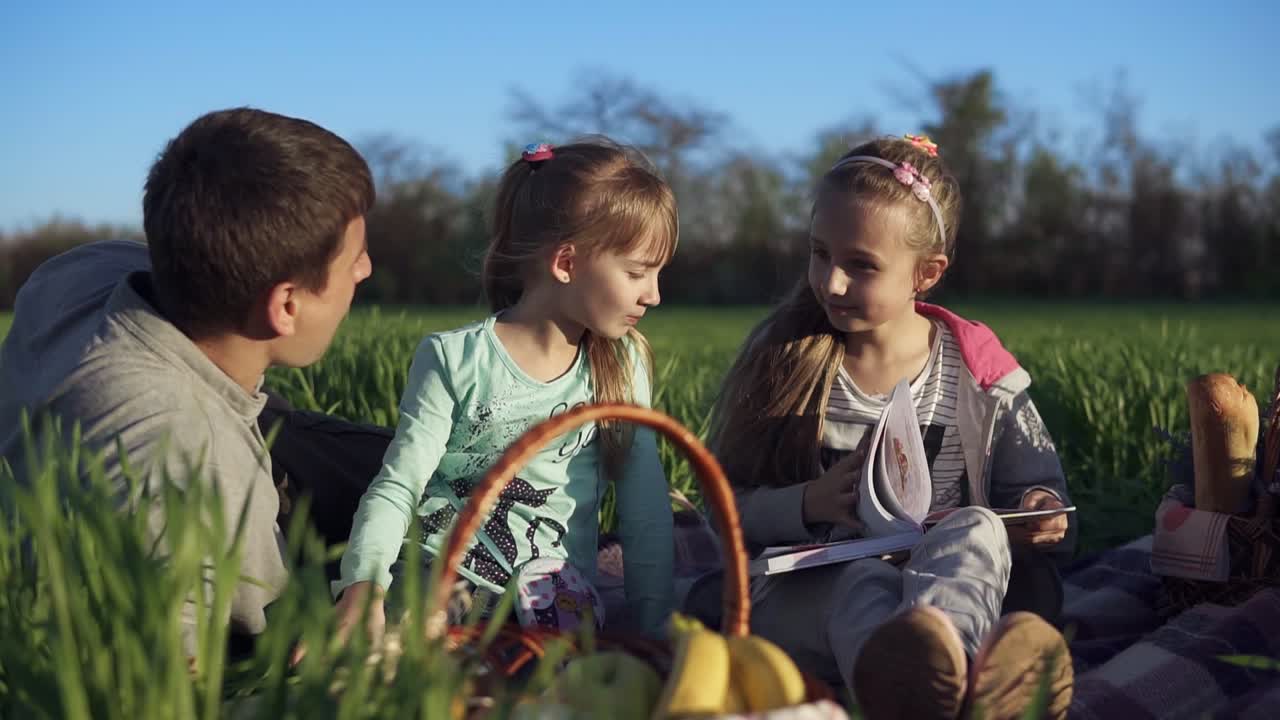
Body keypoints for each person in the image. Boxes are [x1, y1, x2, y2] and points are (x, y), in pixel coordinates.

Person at [707, 134, 1074, 719]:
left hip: (945, 585)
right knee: (858, 584)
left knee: (977, 526)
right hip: (815, 595)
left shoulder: (978, 376)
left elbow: (1040, 493)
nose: (831, 282)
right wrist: (807, 502)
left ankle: (944, 663)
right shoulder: (787, 360)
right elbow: (721, 508)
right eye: (820, 254)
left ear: (925, 274)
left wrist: (1039, 508)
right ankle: (936, 692)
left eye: (861, 265)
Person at [0, 107, 375, 655]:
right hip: (174, 500)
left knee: (449, 468)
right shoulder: (201, 478)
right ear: (286, 305)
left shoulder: (84, 270)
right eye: (354, 260)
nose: (365, 271)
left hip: (155, 433)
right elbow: (230, 667)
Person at [331, 139, 677, 642]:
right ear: (566, 263)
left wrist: (655, 631)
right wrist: (363, 587)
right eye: (637, 273)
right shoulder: (455, 359)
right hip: (440, 578)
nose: (655, 294)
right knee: (409, 646)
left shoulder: (622, 365)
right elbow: (399, 483)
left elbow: (644, 507)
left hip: (553, 597)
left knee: (552, 666)